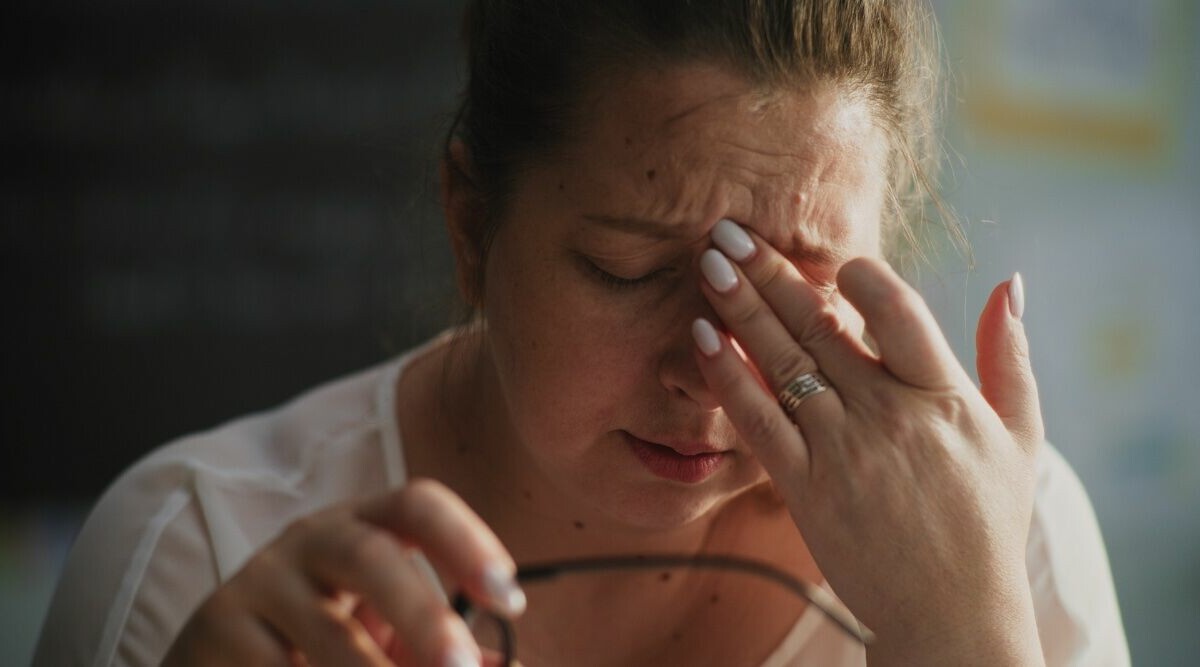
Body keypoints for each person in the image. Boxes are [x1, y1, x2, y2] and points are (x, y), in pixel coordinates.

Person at [34, 1, 1129, 665]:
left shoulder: (1003, 539)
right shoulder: (200, 554)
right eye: (630, 269)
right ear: (473, 224)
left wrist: (965, 641)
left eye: (791, 292)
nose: (707, 371)